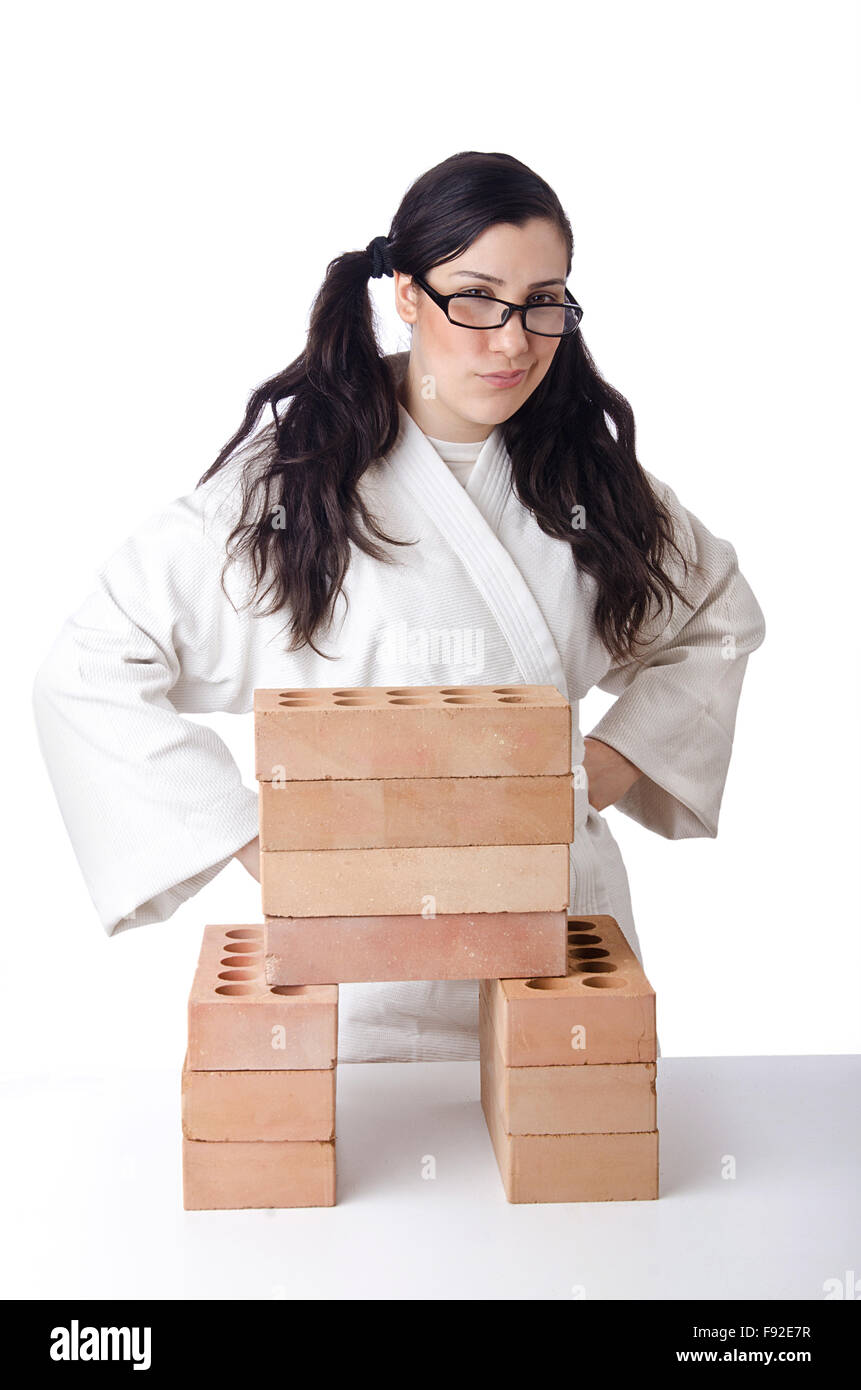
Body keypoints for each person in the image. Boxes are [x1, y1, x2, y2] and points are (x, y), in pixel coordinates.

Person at [32, 150, 766, 1063]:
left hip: (561, 956)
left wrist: (604, 768)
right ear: (408, 297)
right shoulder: (295, 483)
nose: (511, 340)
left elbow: (719, 617)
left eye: (545, 300)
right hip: (360, 980)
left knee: (580, 1183)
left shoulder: (590, 480)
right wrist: (267, 844)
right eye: (476, 298)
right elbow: (91, 665)